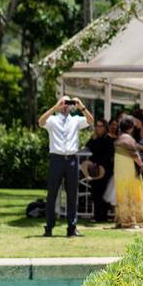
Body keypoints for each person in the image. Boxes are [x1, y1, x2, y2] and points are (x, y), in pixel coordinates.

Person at [38, 96, 93, 237]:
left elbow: (90, 121)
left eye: (68, 103)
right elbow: (40, 122)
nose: (65, 106)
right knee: (52, 194)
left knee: (72, 195)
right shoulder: (52, 119)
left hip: (72, 160)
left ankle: (72, 227)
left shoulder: (75, 120)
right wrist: (54, 108)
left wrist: (81, 106)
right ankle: (49, 227)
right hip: (56, 158)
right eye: (63, 103)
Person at [113, 116, 143, 228]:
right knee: (132, 193)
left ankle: (120, 220)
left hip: (119, 170)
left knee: (122, 194)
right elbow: (134, 155)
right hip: (129, 170)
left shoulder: (119, 138)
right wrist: (142, 166)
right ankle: (130, 221)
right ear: (131, 127)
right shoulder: (128, 139)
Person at [84, 119, 114, 222]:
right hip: (94, 169)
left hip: (104, 169)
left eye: (101, 126)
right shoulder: (94, 138)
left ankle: (102, 216)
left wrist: (98, 163)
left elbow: (109, 155)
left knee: (102, 192)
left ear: (105, 127)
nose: (98, 128)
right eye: (97, 126)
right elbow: (87, 148)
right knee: (95, 192)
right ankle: (97, 215)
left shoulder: (108, 139)